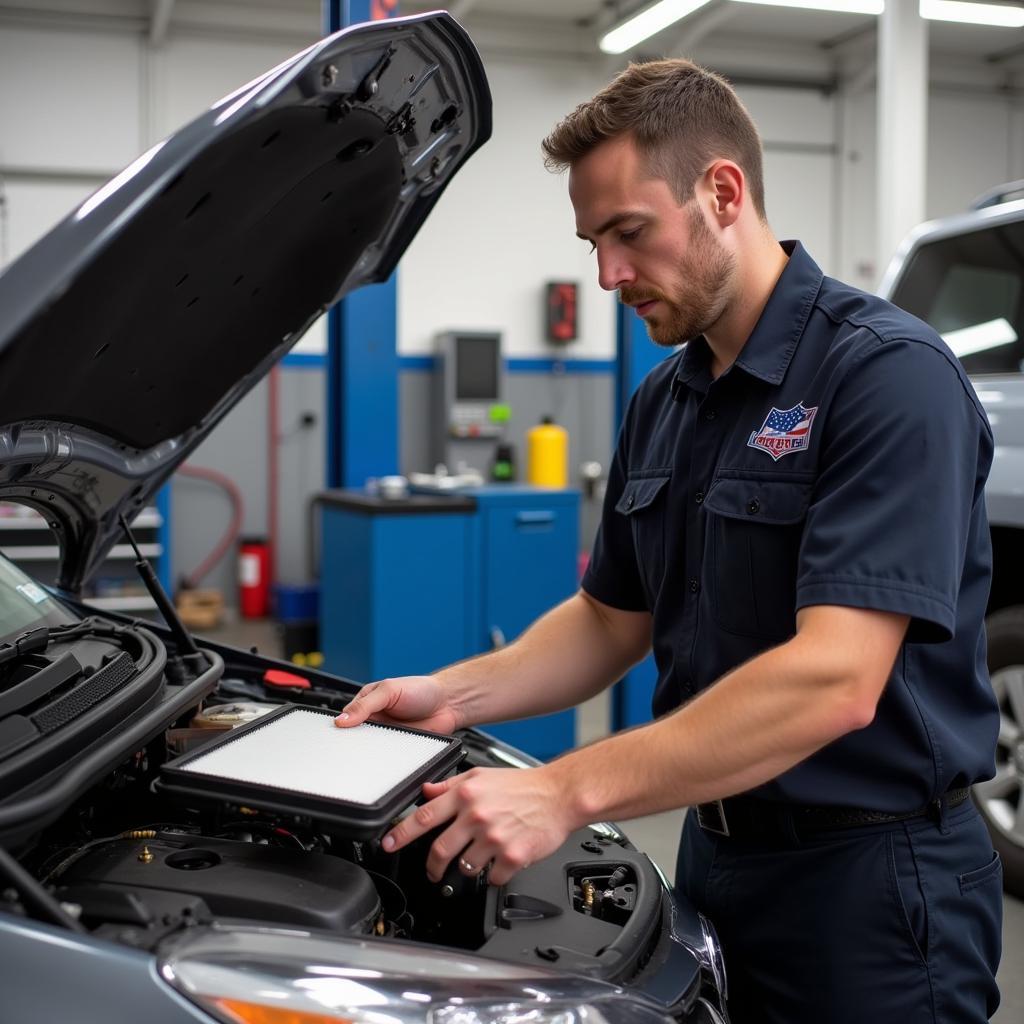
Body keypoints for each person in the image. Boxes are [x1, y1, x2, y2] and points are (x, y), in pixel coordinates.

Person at [336, 59, 1002, 1023]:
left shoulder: (887, 377)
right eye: (593, 242)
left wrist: (565, 791)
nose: (607, 274)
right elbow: (610, 619)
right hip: (714, 858)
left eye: (629, 233)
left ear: (723, 192)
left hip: (871, 884)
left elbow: (837, 678)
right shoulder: (667, 397)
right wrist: (453, 693)